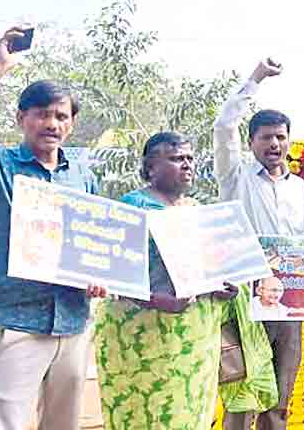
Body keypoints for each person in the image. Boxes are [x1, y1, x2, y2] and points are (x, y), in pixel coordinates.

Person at [0, 26, 107, 430]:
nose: (51, 123)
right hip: (14, 320)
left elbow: (94, 242)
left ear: (71, 124)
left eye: (61, 116)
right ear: (22, 118)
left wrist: (98, 274)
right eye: (42, 114)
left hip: (72, 321)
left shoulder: (84, 177)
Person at [93, 132, 246, 429]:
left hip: (194, 338)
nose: (187, 165)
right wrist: (155, 299)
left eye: (190, 158)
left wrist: (226, 288)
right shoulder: (132, 207)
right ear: (150, 167)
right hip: (141, 335)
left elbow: (210, 268)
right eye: (176, 159)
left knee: (191, 415)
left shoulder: (197, 210)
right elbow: (112, 273)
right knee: (143, 415)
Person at [216, 57, 304, 430]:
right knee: (241, 390)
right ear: (252, 142)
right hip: (244, 297)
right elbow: (224, 124)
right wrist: (255, 78)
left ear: (288, 140)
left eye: (280, 136)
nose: (274, 143)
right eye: (266, 137)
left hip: (289, 303)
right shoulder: (235, 176)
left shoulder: (299, 188)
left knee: (280, 394)